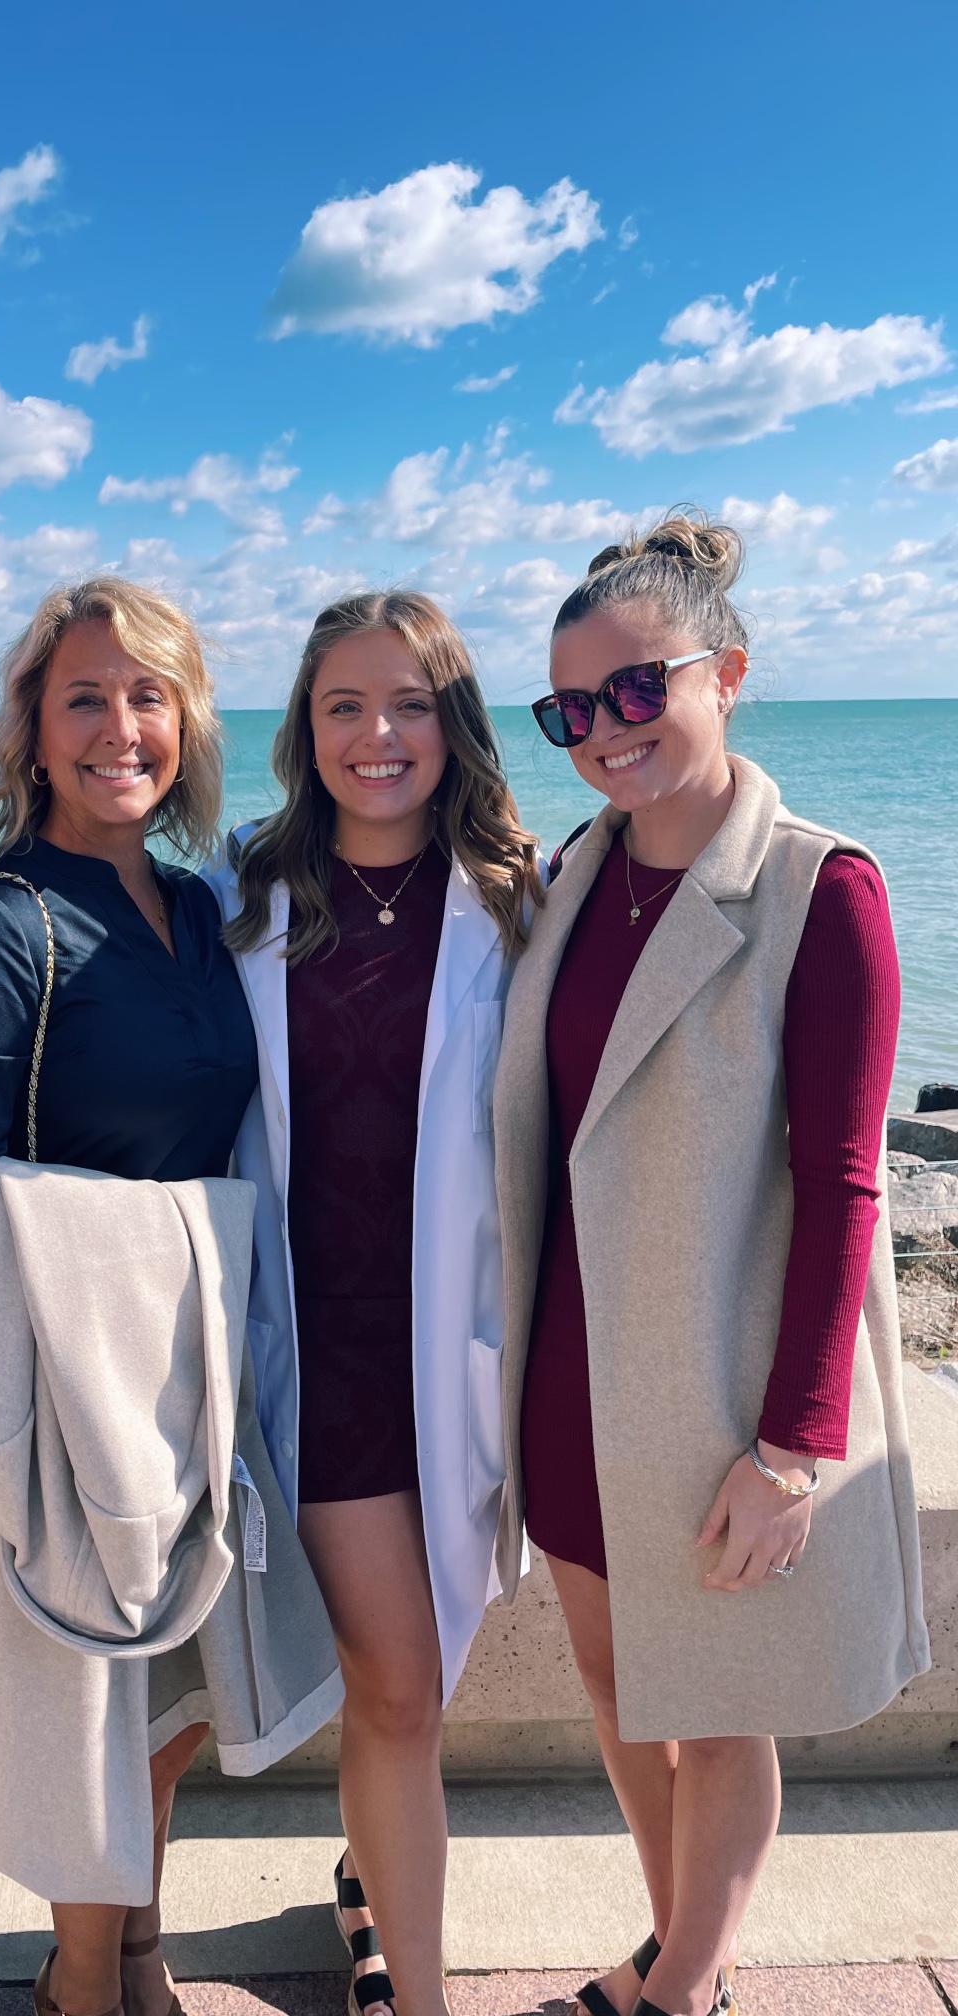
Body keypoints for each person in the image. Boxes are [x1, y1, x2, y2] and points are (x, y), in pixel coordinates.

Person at [494, 514, 930, 2016]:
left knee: (723, 1707)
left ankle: (680, 1991)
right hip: (571, 1358)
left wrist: (797, 1443)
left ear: (725, 674)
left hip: (715, 1374)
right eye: (568, 708)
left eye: (637, 688)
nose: (602, 729)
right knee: (619, 1685)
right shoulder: (572, 876)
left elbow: (850, 1181)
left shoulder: (823, 889)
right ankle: (679, 1943)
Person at [0, 577, 328, 2016]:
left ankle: (133, 1951)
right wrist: (107, 1300)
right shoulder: (6, 920)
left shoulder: (200, 910)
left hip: (197, 1362)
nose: (118, 728)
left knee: (176, 1689)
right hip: (86, 1368)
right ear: (32, 731)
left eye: (149, 697)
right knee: (97, 1698)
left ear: (188, 725)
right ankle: (85, 1986)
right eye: (83, 697)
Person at [216, 592, 543, 2016]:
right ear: (304, 728)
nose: (378, 735)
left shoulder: (520, 900)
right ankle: (418, 1994)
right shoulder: (238, 891)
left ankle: (368, 1876)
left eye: (411, 704)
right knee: (398, 1686)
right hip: (320, 1351)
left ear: (453, 724)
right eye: (344, 705)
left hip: (462, 1353)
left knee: (428, 1669)